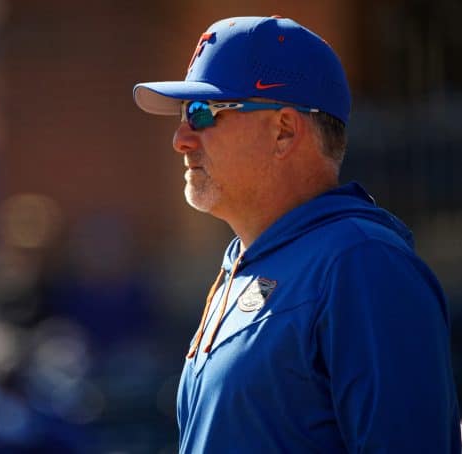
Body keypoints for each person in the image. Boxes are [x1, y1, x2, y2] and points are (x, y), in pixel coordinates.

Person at [133, 16, 460, 453]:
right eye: (182, 114)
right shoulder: (246, 261)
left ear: (284, 130)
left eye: (201, 113)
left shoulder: (362, 262)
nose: (181, 138)